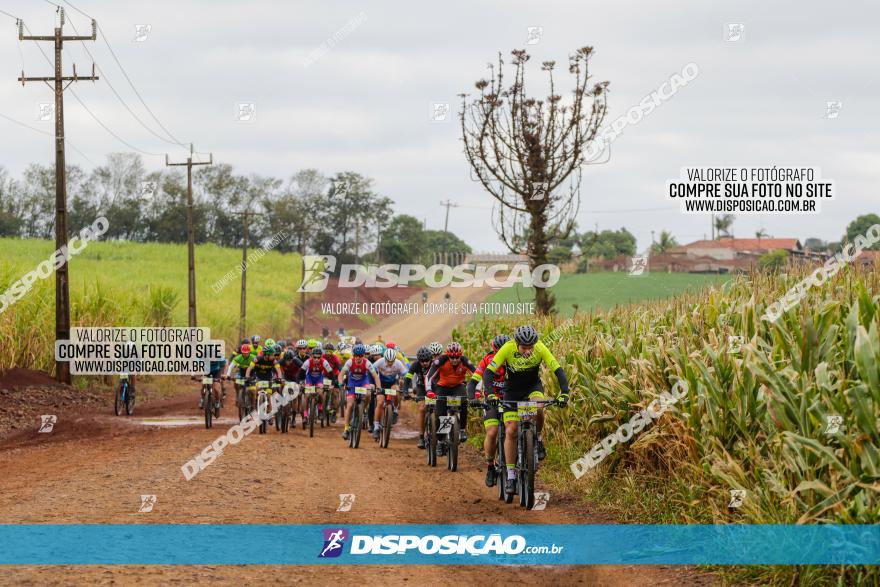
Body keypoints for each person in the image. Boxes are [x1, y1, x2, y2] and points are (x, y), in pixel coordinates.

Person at [483, 325, 570, 497]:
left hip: (532, 387)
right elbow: (489, 372)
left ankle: (537, 438)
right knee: (511, 430)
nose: (528, 351)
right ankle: (510, 476)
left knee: (538, 407)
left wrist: (565, 393)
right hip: (512, 391)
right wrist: (491, 394)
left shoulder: (540, 347)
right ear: (517, 344)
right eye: (524, 347)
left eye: (531, 347)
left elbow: (558, 370)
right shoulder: (507, 348)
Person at [467, 334, 510, 487]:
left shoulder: (514, 359)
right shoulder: (487, 360)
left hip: (509, 400)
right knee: (492, 432)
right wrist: (472, 398)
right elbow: (473, 382)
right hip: (491, 401)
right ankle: (490, 466)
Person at [425, 342, 477, 447]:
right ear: (448, 355)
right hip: (442, 387)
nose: (454, 360)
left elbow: (477, 375)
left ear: (460, 355)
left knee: (463, 401)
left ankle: (462, 429)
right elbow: (429, 376)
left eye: (457, 357)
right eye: (452, 357)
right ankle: (440, 440)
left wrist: (477, 391)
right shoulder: (441, 360)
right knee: (442, 415)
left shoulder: (465, 361)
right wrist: (429, 390)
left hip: (457, 386)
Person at [338, 343, 381, 440]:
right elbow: (341, 374)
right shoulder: (349, 362)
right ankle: (346, 429)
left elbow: (375, 376)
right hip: (352, 383)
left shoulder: (367, 363)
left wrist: (378, 387)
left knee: (368, 393)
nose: (358, 358)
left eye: (361, 355)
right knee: (349, 405)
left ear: (364, 355)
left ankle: (363, 409)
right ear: (353, 355)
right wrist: (341, 383)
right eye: (356, 356)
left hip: (363, 382)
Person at [370, 347, 409, 439]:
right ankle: (376, 427)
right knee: (379, 402)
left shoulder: (398, 363)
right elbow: (370, 370)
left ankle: (395, 409)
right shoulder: (380, 361)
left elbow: (406, 375)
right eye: (388, 361)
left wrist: (404, 382)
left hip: (392, 383)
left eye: (392, 361)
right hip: (381, 384)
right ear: (385, 358)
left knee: (396, 391)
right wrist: (372, 384)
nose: (390, 363)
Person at [402, 345, 434, 449]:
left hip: (435, 387)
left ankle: (442, 436)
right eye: (422, 361)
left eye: (426, 360)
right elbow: (407, 379)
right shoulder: (415, 365)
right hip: (421, 388)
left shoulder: (435, 364)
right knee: (422, 408)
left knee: (441, 409)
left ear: (431, 359)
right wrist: (405, 392)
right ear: (418, 360)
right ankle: (421, 436)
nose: (424, 363)